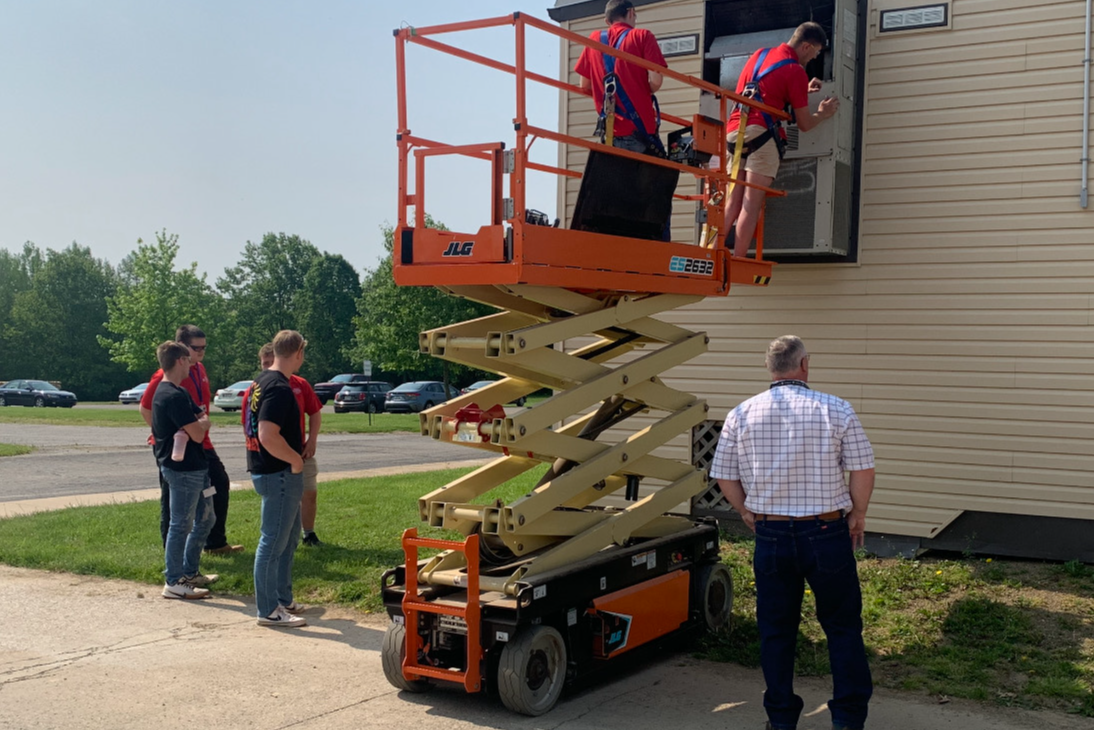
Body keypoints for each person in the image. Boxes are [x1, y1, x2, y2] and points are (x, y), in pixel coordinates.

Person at [709, 335, 875, 730]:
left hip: (772, 536)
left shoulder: (742, 413)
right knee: (842, 627)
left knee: (776, 631)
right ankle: (848, 719)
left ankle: (781, 719)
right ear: (805, 365)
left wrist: (746, 510)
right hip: (826, 532)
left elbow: (723, 476)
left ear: (771, 368)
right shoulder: (836, 409)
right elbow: (862, 469)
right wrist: (859, 515)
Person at [717, 22, 839, 257]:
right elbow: (804, 124)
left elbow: (768, 87)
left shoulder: (759, 55)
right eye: (814, 53)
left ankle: (711, 254)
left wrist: (801, 88)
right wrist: (823, 114)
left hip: (734, 131)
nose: (812, 59)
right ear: (805, 46)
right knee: (750, 204)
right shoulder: (795, 70)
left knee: (731, 203)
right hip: (762, 135)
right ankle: (738, 258)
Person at [140, 325, 242, 554]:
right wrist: (166, 434)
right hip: (176, 447)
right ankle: (172, 552)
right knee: (172, 500)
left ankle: (214, 542)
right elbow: (146, 409)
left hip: (201, 442)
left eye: (204, 348)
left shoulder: (199, 369)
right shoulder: (163, 376)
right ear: (181, 350)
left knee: (216, 484)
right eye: (196, 349)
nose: (201, 353)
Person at [245, 330, 309, 628]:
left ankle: (282, 598)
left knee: (288, 538)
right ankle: (268, 609)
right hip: (278, 473)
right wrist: (295, 459)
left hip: (267, 469)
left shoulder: (261, 381)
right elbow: (267, 434)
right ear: (298, 353)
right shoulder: (279, 388)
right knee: (272, 542)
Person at [151, 340, 217, 600]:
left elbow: (201, 420)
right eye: (188, 358)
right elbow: (199, 433)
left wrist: (199, 425)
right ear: (179, 360)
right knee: (181, 523)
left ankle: (189, 572)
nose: (192, 362)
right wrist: (199, 425)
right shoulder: (171, 395)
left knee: (206, 518)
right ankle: (174, 581)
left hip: (197, 468)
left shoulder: (180, 392)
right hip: (183, 470)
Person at [574, 0, 667, 156]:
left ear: (607, 21)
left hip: (610, 132)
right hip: (640, 130)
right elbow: (656, 82)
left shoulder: (594, 39)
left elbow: (584, 85)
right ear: (630, 12)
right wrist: (641, 86)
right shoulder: (643, 36)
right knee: (655, 177)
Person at [255, 343, 324, 546]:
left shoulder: (299, 384)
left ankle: (308, 533)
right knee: (278, 505)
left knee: (308, 493)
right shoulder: (262, 386)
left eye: (271, 362)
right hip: (275, 457)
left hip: (300, 451)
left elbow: (315, 412)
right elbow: (256, 427)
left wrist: (312, 440)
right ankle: (279, 538)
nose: (268, 367)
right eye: (264, 363)